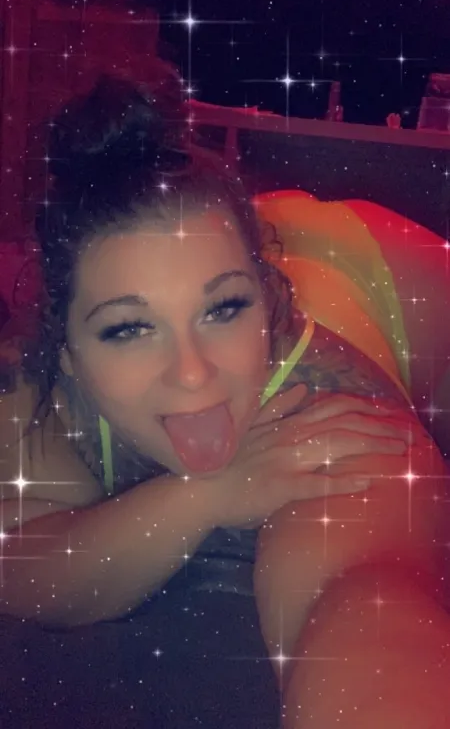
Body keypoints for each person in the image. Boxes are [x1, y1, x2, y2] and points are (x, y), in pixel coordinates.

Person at [0, 62, 449, 729]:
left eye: (224, 311)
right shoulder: (35, 380)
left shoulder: (335, 405)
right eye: (128, 328)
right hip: (226, 243)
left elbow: (365, 600)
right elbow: (25, 568)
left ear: (265, 299)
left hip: (381, 265)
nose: (192, 374)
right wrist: (207, 493)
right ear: (67, 349)